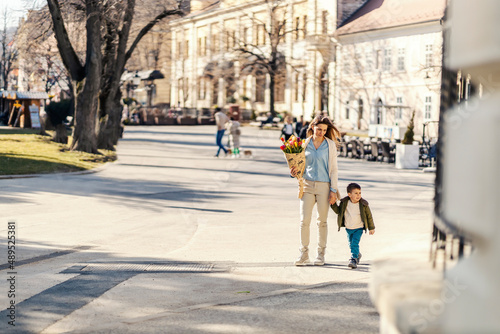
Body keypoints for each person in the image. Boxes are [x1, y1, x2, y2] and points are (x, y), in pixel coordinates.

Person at [290, 115, 341, 266]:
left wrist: (333, 190)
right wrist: (294, 172)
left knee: (322, 222)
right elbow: (298, 165)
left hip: (325, 186)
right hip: (307, 186)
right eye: (319, 129)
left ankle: (321, 254)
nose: (322, 133)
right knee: (304, 221)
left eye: (324, 130)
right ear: (312, 127)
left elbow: (334, 170)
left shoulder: (330, 145)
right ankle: (304, 253)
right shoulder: (304, 144)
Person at [330, 183, 375, 269]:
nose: (358, 195)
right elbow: (338, 211)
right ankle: (357, 254)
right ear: (349, 194)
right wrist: (333, 204)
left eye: (360, 193)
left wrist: (371, 228)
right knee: (351, 244)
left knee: (354, 243)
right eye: (356, 193)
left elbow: (369, 216)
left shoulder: (363, 204)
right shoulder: (344, 203)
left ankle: (354, 259)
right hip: (348, 228)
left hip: (358, 228)